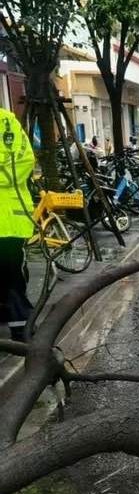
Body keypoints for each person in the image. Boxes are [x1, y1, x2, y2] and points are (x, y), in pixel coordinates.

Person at [0, 108, 35, 341]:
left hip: (7, 222)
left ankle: (21, 327)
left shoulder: (5, 122)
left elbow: (23, 162)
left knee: (11, 275)